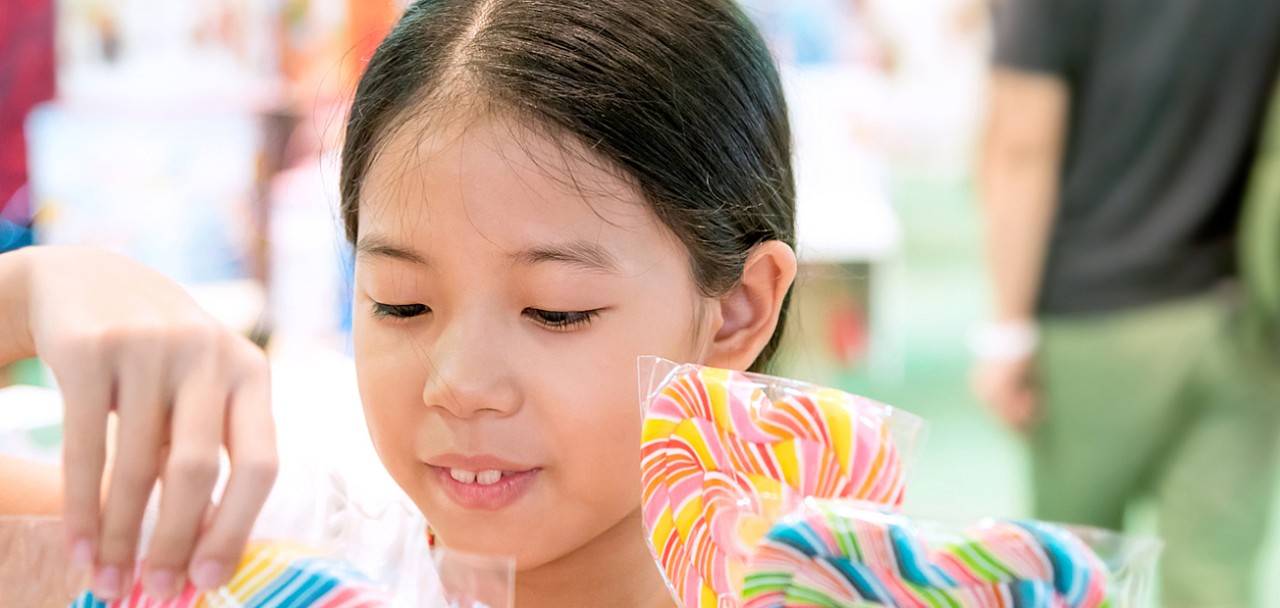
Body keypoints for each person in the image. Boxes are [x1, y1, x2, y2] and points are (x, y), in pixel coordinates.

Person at [0, 1, 799, 606]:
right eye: (401, 304)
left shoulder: (840, 579)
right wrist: (27, 291)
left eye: (556, 311)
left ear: (735, 310)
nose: (457, 382)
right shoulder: (294, 545)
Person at [973, 0, 1280, 606]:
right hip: (1240, 316)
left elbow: (1022, 144)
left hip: (1095, 323)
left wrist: (1007, 330)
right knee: (1215, 580)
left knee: (1071, 574)